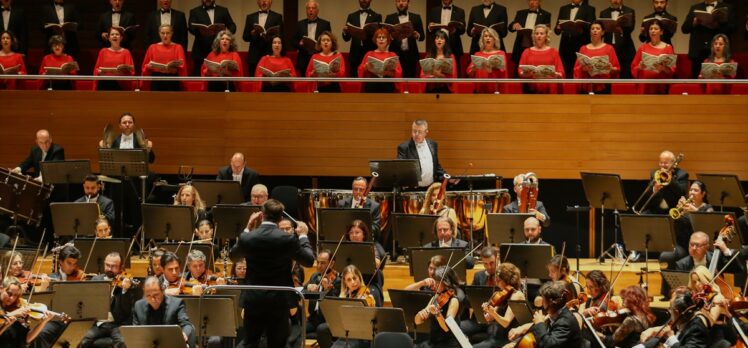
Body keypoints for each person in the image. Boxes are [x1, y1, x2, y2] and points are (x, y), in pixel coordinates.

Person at [230, 199, 314, 348]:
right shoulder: (287, 239)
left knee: (250, 342)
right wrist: (303, 236)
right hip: (278, 300)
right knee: (277, 344)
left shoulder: (248, 236)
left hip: (254, 299)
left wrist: (248, 228)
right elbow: (308, 260)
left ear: (262, 215)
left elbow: (234, 257)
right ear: (281, 218)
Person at [80, 252, 138, 348]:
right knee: (82, 340)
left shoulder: (126, 283)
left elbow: (126, 311)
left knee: (123, 342)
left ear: (120, 267)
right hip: (98, 324)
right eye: (107, 265)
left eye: (114, 266)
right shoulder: (96, 280)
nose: (109, 269)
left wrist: (125, 290)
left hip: (117, 325)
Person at [507, 280, 584, 347]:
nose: (542, 302)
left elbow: (548, 345)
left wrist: (540, 323)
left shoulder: (565, 321)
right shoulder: (556, 315)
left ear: (550, 302)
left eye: (543, 299)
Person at [133, 276, 196, 348]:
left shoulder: (177, 303)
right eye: (148, 296)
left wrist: (184, 333)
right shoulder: (138, 306)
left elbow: (186, 325)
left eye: (156, 295)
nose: (153, 299)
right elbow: (136, 331)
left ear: (162, 291)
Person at [638, 287, 709, 348]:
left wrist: (671, 338)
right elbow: (665, 332)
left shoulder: (696, 329)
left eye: (670, 308)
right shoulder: (681, 319)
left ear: (676, 312)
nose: (669, 311)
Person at [475, 262, 527, 348]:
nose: (496, 283)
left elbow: (506, 322)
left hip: (508, 338)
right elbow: (491, 318)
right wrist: (489, 313)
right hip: (496, 335)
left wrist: (493, 313)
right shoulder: (502, 294)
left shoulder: (516, 295)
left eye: (498, 280)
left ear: (507, 280)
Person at [681, 0, 735, 79]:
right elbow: (684, 29)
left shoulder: (727, 8)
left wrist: (718, 24)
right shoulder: (695, 8)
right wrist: (694, 22)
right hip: (698, 53)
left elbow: (733, 28)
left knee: (722, 80)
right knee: (697, 82)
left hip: (719, 53)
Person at [687, 265, 736, 347]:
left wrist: (701, 309)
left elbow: (710, 321)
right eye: (695, 282)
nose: (698, 284)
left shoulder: (717, 297)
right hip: (702, 337)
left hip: (714, 340)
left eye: (699, 280)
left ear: (707, 279)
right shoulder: (701, 298)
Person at [0, 278, 56, 346]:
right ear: (1, 288)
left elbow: (26, 339)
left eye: (15, 295)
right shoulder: (13, 313)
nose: (11, 298)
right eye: (9, 293)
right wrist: (12, 316)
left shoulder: (18, 311)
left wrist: (43, 322)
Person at [415, 265, 461, 348]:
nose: (435, 285)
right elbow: (417, 321)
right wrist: (420, 314)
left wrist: (437, 314)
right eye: (435, 281)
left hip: (448, 344)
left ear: (446, 282)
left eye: (437, 282)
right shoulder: (436, 297)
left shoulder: (454, 300)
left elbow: (447, 328)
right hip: (434, 342)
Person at [188, 0, 236, 76]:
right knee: (200, 77)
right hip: (200, 51)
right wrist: (200, 31)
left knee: (220, 77)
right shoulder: (195, 11)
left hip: (219, 52)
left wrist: (226, 33)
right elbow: (191, 28)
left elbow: (232, 26)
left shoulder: (223, 10)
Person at [344, 219, 385, 306]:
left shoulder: (371, 247)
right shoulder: (345, 248)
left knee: (366, 299)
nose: (354, 235)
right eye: (351, 233)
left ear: (364, 234)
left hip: (369, 283)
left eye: (357, 232)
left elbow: (377, 263)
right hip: (351, 283)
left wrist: (362, 254)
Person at [573, 21, 620, 94]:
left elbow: (617, 68)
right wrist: (583, 68)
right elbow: (576, 68)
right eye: (592, 29)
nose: (595, 30)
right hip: (586, 85)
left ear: (603, 32)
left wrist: (610, 68)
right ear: (590, 32)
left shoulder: (609, 48)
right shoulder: (583, 48)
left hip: (603, 85)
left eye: (598, 28)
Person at [397, 119, 447, 188]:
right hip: (413, 189)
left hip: (431, 187)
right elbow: (400, 169)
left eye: (420, 132)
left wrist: (446, 176)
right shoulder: (404, 147)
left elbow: (436, 165)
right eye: (414, 131)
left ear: (426, 132)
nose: (416, 134)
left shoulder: (433, 144)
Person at [554, 0, 596, 78]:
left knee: (580, 71)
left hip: (581, 45)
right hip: (565, 45)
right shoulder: (563, 8)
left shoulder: (590, 9)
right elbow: (557, 30)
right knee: (565, 70)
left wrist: (581, 26)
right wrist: (558, 28)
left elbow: (591, 27)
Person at [631, 20, 675, 94]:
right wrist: (640, 67)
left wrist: (663, 68)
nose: (653, 31)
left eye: (656, 29)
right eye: (651, 29)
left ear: (661, 32)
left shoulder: (668, 48)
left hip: (660, 85)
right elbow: (633, 67)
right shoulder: (643, 48)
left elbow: (672, 70)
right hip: (644, 85)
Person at [384, 0, 425, 78]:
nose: (401, 3)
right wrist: (392, 36)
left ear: (408, 3)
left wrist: (417, 35)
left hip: (411, 55)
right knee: (395, 81)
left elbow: (422, 37)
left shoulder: (416, 17)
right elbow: (385, 38)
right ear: (395, 3)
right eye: (398, 1)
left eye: (403, 1)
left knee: (410, 81)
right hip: (394, 55)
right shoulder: (389, 18)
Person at [519, 24, 564, 94]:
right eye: (537, 33)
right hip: (531, 89)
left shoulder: (553, 52)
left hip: (549, 89)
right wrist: (526, 74)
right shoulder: (526, 52)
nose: (539, 36)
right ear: (534, 36)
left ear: (546, 36)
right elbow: (520, 71)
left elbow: (561, 71)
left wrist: (555, 74)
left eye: (542, 33)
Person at [142, 24, 188, 92]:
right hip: (156, 80)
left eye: (167, 33)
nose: (165, 36)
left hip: (172, 80)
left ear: (171, 34)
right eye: (163, 33)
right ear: (159, 34)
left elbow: (183, 68)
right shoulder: (152, 47)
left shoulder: (178, 47)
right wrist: (149, 67)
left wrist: (174, 69)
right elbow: (144, 66)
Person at [509, 0, 552, 72]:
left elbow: (547, 31)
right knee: (518, 74)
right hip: (521, 48)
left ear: (539, 1)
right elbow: (511, 28)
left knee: (536, 73)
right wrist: (513, 25)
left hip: (537, 48)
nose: (531, 2)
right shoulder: (520, 13)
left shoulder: (546, 14)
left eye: (534, 0)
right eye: (529, 0)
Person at [243, 0, 283, 77]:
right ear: (257, 2)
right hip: (254, 57)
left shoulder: (277, 17)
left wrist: (271, 36)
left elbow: (281, 36)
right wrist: (252, 34)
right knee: (253, 84)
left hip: (270, 55)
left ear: (271, 2)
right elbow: (245, 37)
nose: (264, 2)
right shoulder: (250, 17)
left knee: (269, 84)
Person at [342, 0, 381, 77]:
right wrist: (345, 32)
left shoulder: (377, 16)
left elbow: (379, 37)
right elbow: (346, 38)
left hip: (370, 55)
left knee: (370, 83)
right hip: (354, 56)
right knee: (354, 83)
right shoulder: (351, 16)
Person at [641, 150, 688, 215]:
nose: (662, 165)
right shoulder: (655, 173)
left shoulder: (682, 174)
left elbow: (682, 193)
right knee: (642, 216)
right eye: (661, 162)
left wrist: (671, 180)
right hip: (655, 209)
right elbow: (647, 193)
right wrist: (654, 189)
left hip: (673, 210)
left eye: (665, 163)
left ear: (673, 163)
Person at [358, 27, 403, 93]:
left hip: (387, 84)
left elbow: (399, 72)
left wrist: (389, 72)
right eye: (379, 37)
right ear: (375, 40)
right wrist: (366, 67)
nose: (381, 39)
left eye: (384, 37)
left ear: (387, 40)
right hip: (372, 85)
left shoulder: (393, 54)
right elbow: (360, 70)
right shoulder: (369, 54)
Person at [426, 0, 465, 73]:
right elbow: (429, 30)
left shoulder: (460, 11)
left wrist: (455, 30)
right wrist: (430, 27)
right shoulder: (434, 10)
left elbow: (462, 30)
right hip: (437, 47)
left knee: (455, 72)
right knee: (436, 71)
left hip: (454, 47)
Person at [294, 0, 331, 77]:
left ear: (317, 10)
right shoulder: (299, 24)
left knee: (320, 84)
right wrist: (300, 44)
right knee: (305, 85)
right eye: (308, 8)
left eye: (313, 8)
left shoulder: (325, 24)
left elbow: (329, 41)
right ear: (306, 11)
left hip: (320, 59)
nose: (310, 10)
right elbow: (293, 41)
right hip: (303, 59)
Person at [599, 0, 634, 79]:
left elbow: (631, 28)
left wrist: (621, 28)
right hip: (609, 48)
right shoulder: (603, 13)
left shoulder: (629, 11)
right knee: (609, 75)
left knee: (625, 76)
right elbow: (602, 31)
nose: (615, 1)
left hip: (625, 48)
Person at [466, 28, 508, 94]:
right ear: (482, 39)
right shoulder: (477, 54)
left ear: (494, 39)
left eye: (490, 36)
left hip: (496, 89)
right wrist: (473, 69)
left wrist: (492, 67)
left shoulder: (500, 53)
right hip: (480, 89)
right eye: (485, 36)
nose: (488, 38)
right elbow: (470, 73)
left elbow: (503, 72)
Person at [93, 27, 134, 91]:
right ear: (109, 38)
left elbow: (132, 71)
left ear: (121, 38)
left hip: (120, 85)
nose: (114, 36)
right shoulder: (103, 51)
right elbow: (96, 70)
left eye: (117, 34)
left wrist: (124, 70)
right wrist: (100, 71)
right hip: (104, 84)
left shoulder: (126, 52)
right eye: (112, 34)